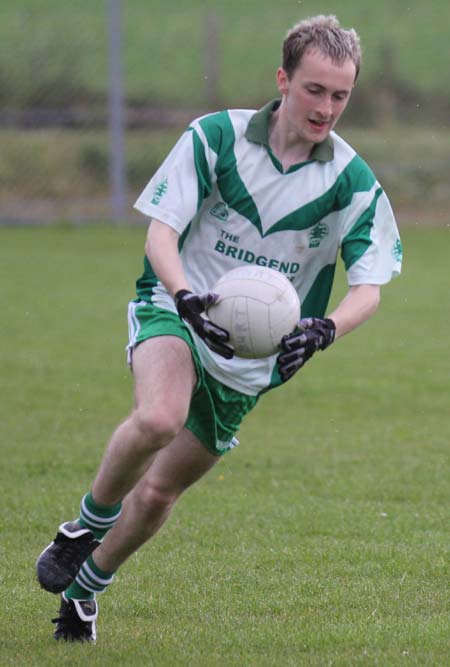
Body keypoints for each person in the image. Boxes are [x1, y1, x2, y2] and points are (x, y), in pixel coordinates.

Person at [36, 14, 402, 642]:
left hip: (252, 362)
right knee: (158, 418)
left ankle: (85, 590)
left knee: (156, 497)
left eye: (341, 95)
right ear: (283, 80)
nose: (327, 108)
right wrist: (184, 296)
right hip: (176, 309)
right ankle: (83, 526)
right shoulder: (216, 138)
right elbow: (161, 231)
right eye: (315, 89)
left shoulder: (352, 183)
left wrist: (324, 329)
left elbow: (369, 286)